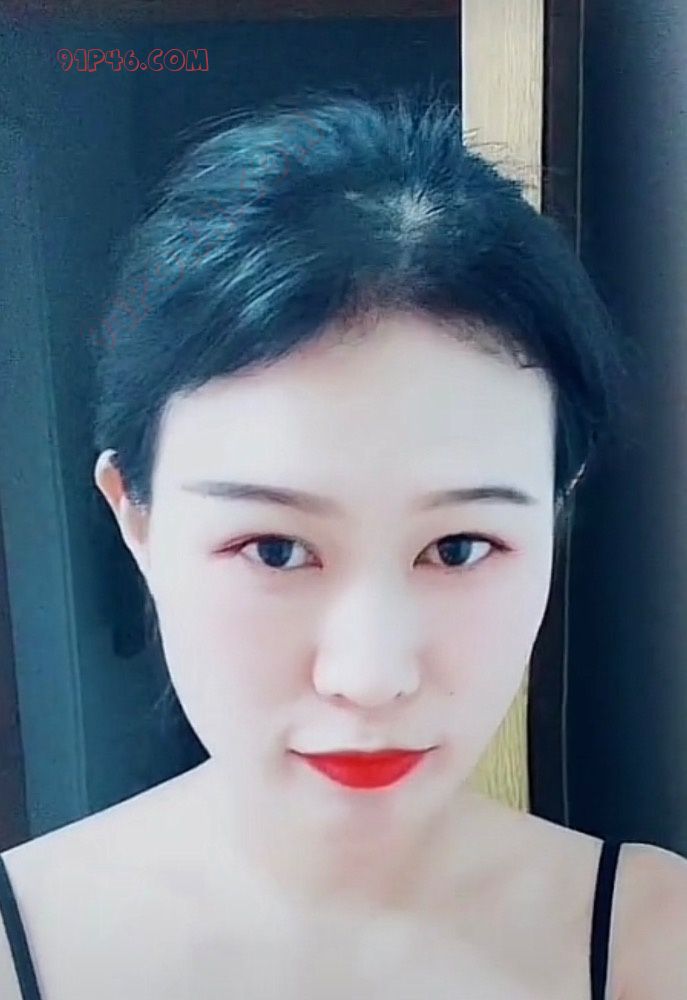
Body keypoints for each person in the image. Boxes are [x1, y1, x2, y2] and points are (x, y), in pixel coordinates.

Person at [1, 90, 686, 1000]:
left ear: (552, 520)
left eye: (458, 547)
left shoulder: (655, 942)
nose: (369, 678)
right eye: (275, 549)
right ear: (138, 520)